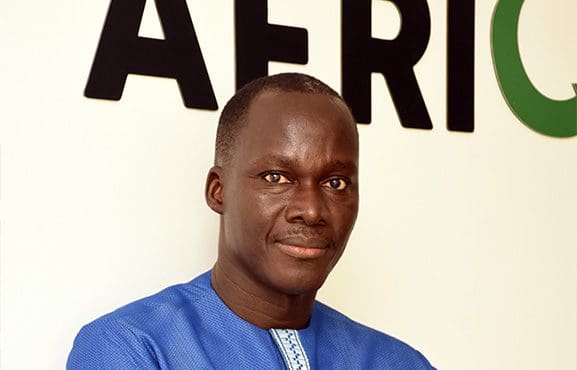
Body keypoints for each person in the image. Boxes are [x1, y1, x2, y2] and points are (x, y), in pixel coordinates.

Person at [67, 73, 436, 369]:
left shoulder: (399, 362)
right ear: (218, 191)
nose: (311, 210)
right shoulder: (131, 349)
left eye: (335, 183)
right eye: (276, 177)